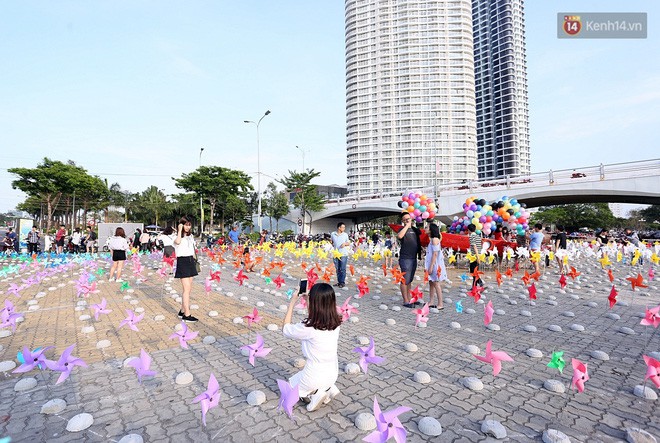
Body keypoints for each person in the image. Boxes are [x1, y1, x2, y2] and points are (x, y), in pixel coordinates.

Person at [282, 282, 341, 412]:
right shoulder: (336, 322)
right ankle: (329, 389)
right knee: (300, 378)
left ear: (314, 303)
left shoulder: (308, 327)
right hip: (332, 373)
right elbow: (317, 315)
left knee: (290, 387)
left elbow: (286, 329)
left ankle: (315, 395)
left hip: (314, 375)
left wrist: (292, 303)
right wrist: (308, 300)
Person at [174, 216, 198, 322]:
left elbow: (192, 249)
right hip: (182, 261)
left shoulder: (190, 236)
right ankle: (187, 315)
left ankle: (182, 310)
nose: (188, 227)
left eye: (189, 225)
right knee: (186, 289)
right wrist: (179, 230)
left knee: (189, 288)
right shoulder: (177, 236)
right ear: (181, 225)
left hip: (190, 261)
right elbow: (178, 242)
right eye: (186, 224)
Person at [397, 213, 422, 307]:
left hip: (413, 257)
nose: (407, 220)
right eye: (405, 219)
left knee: (409, 280)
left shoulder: (415, 230)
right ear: (403, 221)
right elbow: (400, 236)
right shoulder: (402, 229)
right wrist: (407, 225)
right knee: (404, 280)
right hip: (405, 258)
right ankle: (405, 301)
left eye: (409, 218)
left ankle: (409, 299)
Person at [425, 222, 446, 310]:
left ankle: (440, 303)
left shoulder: (434, 240)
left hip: (434, 265)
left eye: (427, 227)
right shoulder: (432, 239)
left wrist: (431, 266)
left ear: (431, 229)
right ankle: (431, 301)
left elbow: (435, 254)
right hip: (431, 263)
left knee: (436, 283)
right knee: (431, 282)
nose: (425, 228)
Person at [331, 222, 351, 288]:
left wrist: (345, 244)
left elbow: (348, 243)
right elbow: (332, 242)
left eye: (344, 227)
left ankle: (342, 282)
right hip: (336, 254)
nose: (344, 228)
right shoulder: (333, 234)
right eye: (343, 227)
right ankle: (339, 282)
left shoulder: (345, 235)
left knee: (342, 268)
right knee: (337, 268)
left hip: (343, 254)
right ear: (339, 228)